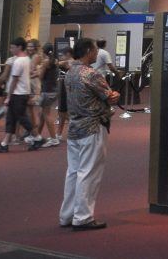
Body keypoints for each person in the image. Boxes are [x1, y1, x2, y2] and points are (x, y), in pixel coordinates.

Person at [59, 37, 119, 231]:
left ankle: (67, 215)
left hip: (75, 128)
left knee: (73, 172)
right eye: (94, 50)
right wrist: (115, 96)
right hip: (93, 128)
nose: (96, 53)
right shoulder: (91, 74)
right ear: (87, 52)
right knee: (89, 173)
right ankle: (83, 216)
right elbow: (109, 96)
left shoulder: (70, 73)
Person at [0, 38, 33, 153]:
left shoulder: (16, 60)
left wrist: (7, 94)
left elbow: (11, 78)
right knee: (11, 117)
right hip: (20, 92)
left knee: (20, 117)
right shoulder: (26, 59)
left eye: (12, 47)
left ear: (19, 47)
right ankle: (5, 142)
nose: (10, 49)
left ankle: (37, 136)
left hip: (16, 93)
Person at [33, 47, 61, 149]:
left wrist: (37, 71)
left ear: (44, 52)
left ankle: (54, 139)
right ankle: (37, 137)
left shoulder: (45, 62)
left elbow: (41, 76)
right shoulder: (55, 61)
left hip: (47, 91)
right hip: (53, 90)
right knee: (42, 114)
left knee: (46, 114)